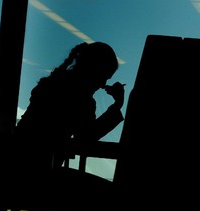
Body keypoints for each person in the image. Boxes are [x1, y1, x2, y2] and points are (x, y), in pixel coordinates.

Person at [12, 42, 125, 173]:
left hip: (16, 156)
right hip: (41, 166)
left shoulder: (52, 84)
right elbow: (86, 138)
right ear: (94, 70)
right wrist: (117, 105)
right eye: (104, 77)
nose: (102, 85)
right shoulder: (83, 101)